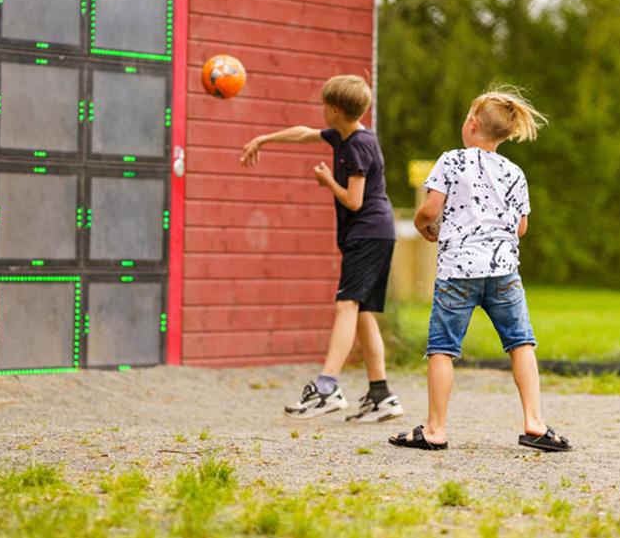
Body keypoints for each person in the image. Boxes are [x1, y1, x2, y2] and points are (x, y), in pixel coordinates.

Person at [388, 86, 568, 452]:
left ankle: (435, 429)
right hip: (503, 272)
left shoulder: (451, 161)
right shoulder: (514, 172)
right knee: (521, 343)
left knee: (442, 348)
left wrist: (424, 226)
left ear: (472, 122)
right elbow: (521, 227)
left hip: (458, 272)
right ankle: (534, 423)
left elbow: (429, 210)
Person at [240, 74, 403, 422]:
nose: (321, 110)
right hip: (375, 234)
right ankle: (381, 396)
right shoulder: (344, 134)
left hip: (368, 233)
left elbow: (355, 201)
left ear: (334, 110)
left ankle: (327, 388)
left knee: (346, 304)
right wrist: (264, 139)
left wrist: (327, 180)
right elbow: (303, 133)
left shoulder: (358, 145)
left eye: (323, 105)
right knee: (361, 312)